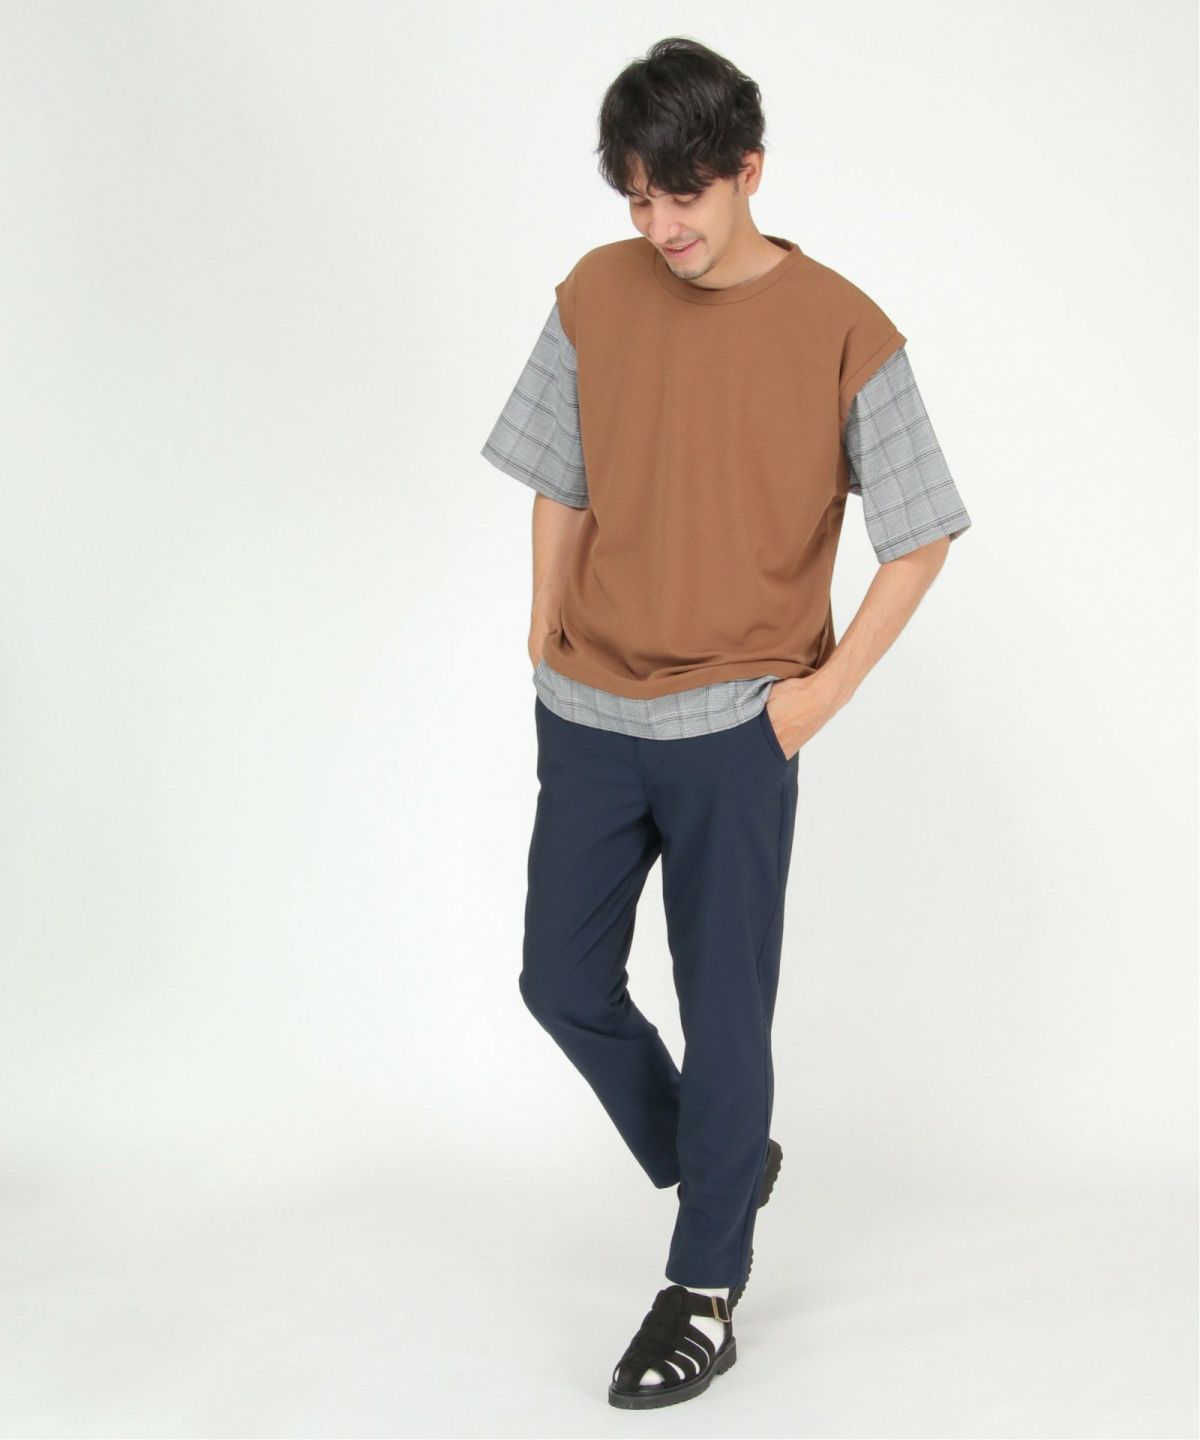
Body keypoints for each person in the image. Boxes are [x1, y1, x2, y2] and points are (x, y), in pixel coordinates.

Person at [479, 35, 972, 1411]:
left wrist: (821, 694)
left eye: (682, 194)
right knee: (560, 982)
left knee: (725, 1011)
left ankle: (703, 1287)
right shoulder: (594, 292)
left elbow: (922, 533)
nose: (660, 226)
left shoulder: (844, 328)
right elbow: (559, 474)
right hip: (589, 709)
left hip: (735, 727)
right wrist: (543, 621)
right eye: (637, 198)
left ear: (749, 169)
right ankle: (723, 1158)